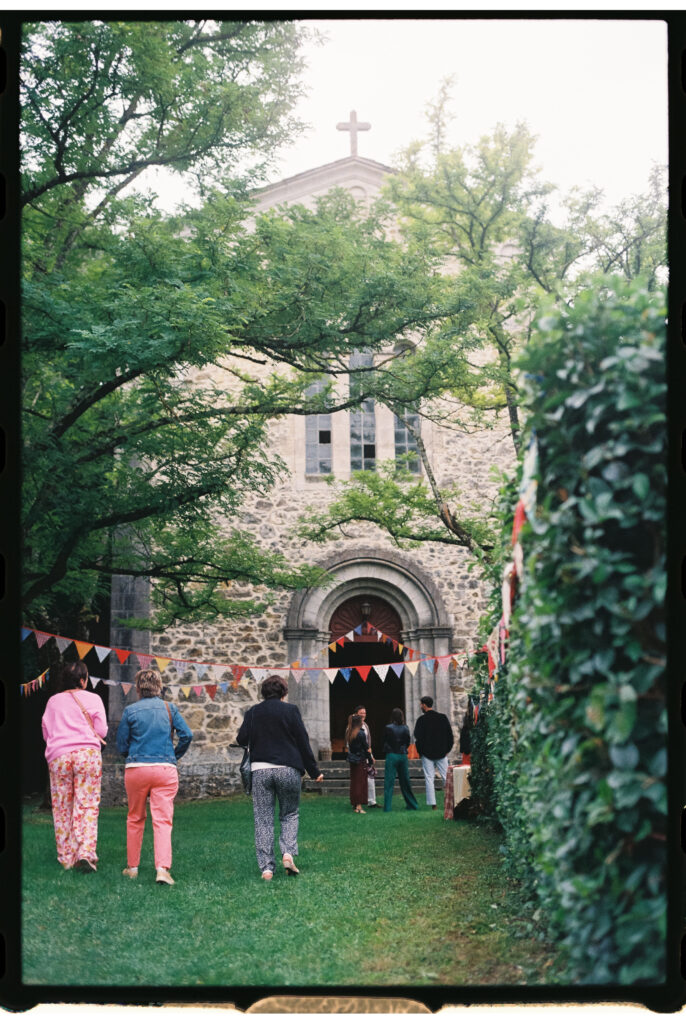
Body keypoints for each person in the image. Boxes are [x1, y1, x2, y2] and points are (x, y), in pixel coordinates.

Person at [236, 675, 323, 880]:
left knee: (263, 819)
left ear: (263, 693)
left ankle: (266, 868)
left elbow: (241, 739)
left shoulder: (253, 712)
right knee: (290, 813)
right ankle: (287, 853)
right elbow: (303, 742)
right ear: (284, 692)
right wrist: (314, 771)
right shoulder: (291, 711)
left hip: (260, 770)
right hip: (288, 769)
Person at [116, 668, 193, 885]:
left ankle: (132, 867)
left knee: (135, 818)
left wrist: (132, 755)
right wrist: (173, 755)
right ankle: (162, 869)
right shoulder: (170, 708)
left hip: (137, 768)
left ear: (138, 689)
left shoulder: (130, 711)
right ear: (159, 687)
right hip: (164, 769)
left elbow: (122, 743)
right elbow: (187, 735)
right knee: (162, 820)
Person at [41, 660, 108, 872]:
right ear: (82, 680)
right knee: (87, 804)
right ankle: (85, 853)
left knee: (62, 806)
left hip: (59, 756)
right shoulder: (94, 698)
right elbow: (103, 731)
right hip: (87, 755)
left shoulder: (53, 701)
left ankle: (66, 858)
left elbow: (46, 731)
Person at [413, 695, 454, 809]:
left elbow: (418, 737)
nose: (420, 706)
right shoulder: (442, 718)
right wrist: (447, 750)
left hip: (427, 754)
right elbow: (450, 736)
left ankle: (433, 804)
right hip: (441, 753)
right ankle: (451, 801)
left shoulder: (421, 720)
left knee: (429, 778)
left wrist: (421, 752)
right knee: (446, 777)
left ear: (424, 705)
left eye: (421, 704)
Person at [382, 707, 418, 812]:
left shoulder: (388, 727)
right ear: (402, 716)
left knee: (389, 782)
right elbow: (407, 742)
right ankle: (412, 805)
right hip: (402, 755)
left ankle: (387, 807)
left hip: (392, 755)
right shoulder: (405, 728)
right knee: (405, 781)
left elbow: (384, 741)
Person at [345, 713, 373, 814]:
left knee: (354, 783)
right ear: (358, 722)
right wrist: (370, 760)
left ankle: (355, 804)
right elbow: (367, 749)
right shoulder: (360, 734)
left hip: (353, 760)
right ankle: (359, 807)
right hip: (360, 760)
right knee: (360, 784)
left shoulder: (350, 732)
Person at [353, 704, 379, 807]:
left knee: (370, 777)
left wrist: (371, 755)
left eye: (364, 713)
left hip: (367, 756)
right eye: (361, 713)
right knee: (358, 779)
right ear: (356, 714)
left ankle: (372, 801)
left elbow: (368, 743)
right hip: (358, 756)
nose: (363, 715)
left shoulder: (366, 726)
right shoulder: (352, 726)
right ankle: (357, 801)